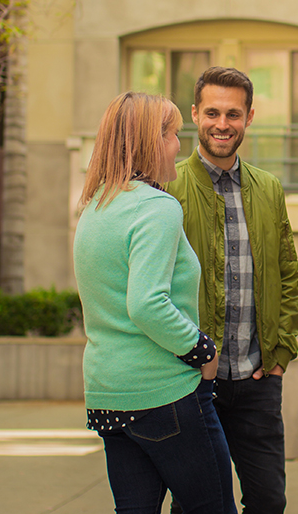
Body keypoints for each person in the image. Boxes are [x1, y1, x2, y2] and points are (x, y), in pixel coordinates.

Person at [73, 91, 237, 514]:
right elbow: (146, 304)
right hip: (163, 392)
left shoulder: (95, 205)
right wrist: (203, 350)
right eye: (172, 134)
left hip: (108, 393)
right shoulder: (156, 207)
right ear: (149, 140)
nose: (180, 144)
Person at [166, 66, 298, 514]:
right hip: (192, 381)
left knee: (268, 501)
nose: (222, 124)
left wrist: (280, 353)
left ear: (249, 117)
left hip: (257, 380)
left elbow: (287, 275)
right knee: (198, 505)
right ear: (194, 115)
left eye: (233, 114)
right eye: (212, 113)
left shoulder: (269, 189)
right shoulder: (168, 189)